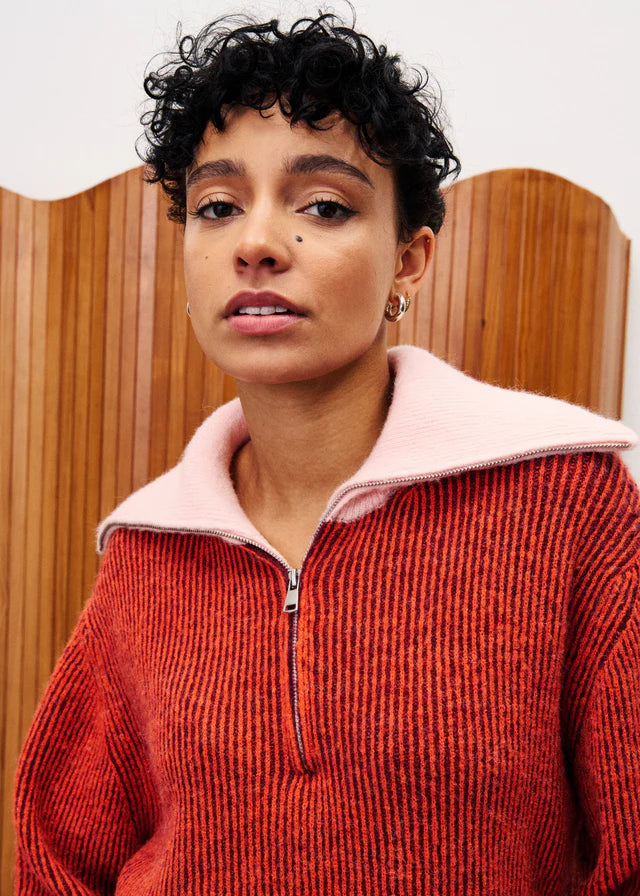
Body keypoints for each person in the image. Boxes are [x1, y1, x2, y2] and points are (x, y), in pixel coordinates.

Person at [13, 11, 640, 896]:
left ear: (408, 262)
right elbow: (56, 859)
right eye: (218, 207)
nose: (256, 244)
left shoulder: (571, 499)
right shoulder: (147, 553)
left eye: (324, 206)